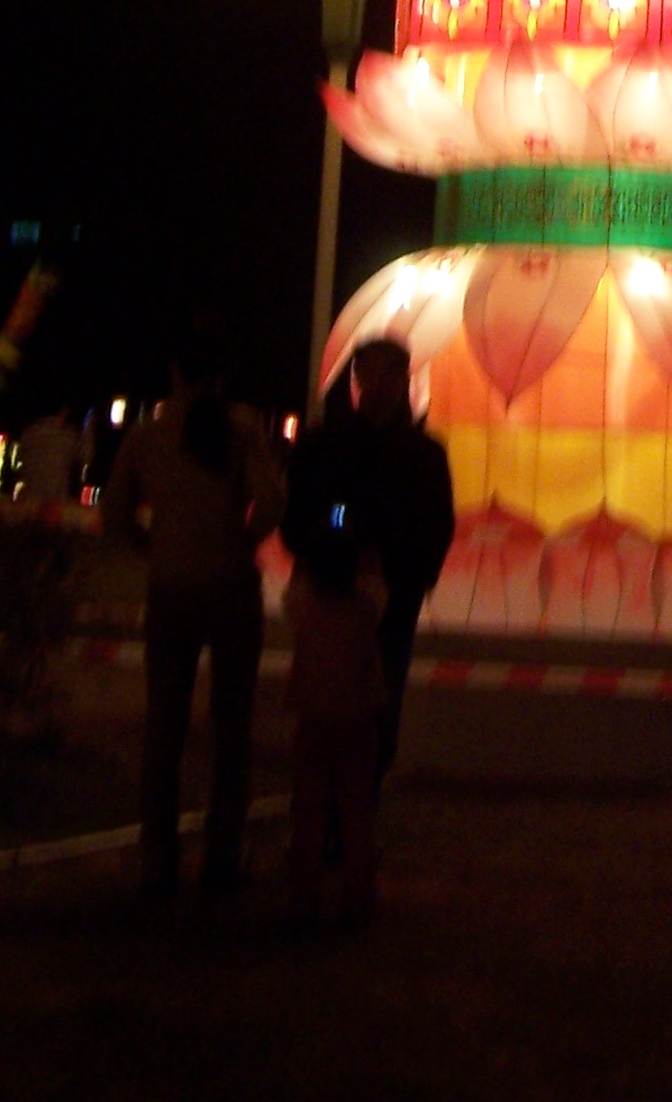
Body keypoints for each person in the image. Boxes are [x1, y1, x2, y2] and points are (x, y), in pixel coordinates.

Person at [102, 333, 283, 898]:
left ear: (174, 372)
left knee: (165, 726)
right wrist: (242, 538)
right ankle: (223, 856)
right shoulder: (243, 429)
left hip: (171, 587)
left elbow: (114, 512)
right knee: (232, 727)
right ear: (224, 375)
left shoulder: (148, 435)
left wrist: (149, 544)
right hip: (231, 587)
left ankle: (158, 859)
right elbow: (273, 500)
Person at [285, 339, 453, 802]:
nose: (378, 386)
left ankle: (358, 802)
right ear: (356, 380)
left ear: (404, 381)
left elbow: (436, 524)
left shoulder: (422, 454)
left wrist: (408, 574)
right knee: (330, 704)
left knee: (378, 700)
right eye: (369, 375)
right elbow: (299, 514)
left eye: (388, 375)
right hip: (332, 594)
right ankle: (332, 806)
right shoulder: (326, 446)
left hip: (392, 595)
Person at [282, 497, 386, 921]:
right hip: (358, 720)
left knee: (309, 810)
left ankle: (304, 892)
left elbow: (293, 592)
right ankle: (358, 891)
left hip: (312, 719)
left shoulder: (303, 610)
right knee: (357, 808)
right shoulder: (365, 609)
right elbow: (378, 587)